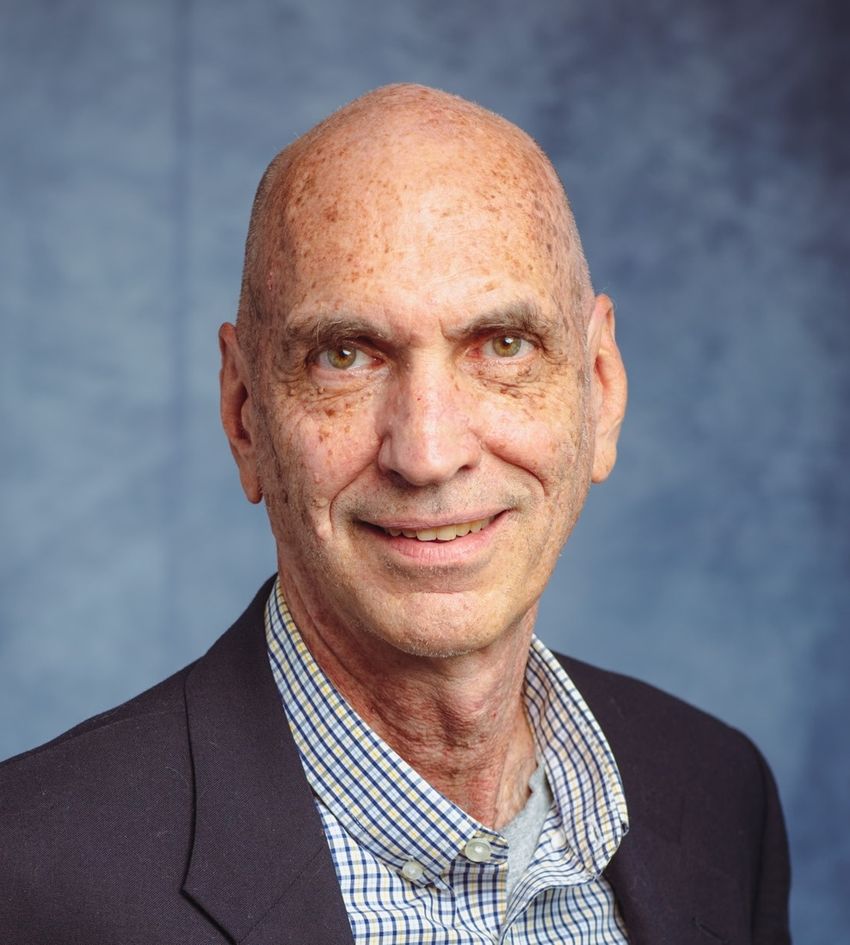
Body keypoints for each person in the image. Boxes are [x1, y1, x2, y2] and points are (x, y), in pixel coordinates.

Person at [0, 84, 790, 944]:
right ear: (244, 416)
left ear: (598, 392)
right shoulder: (33, 875)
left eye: (503, 345)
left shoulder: (718, 793)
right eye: (346, 356)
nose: (426, 451)